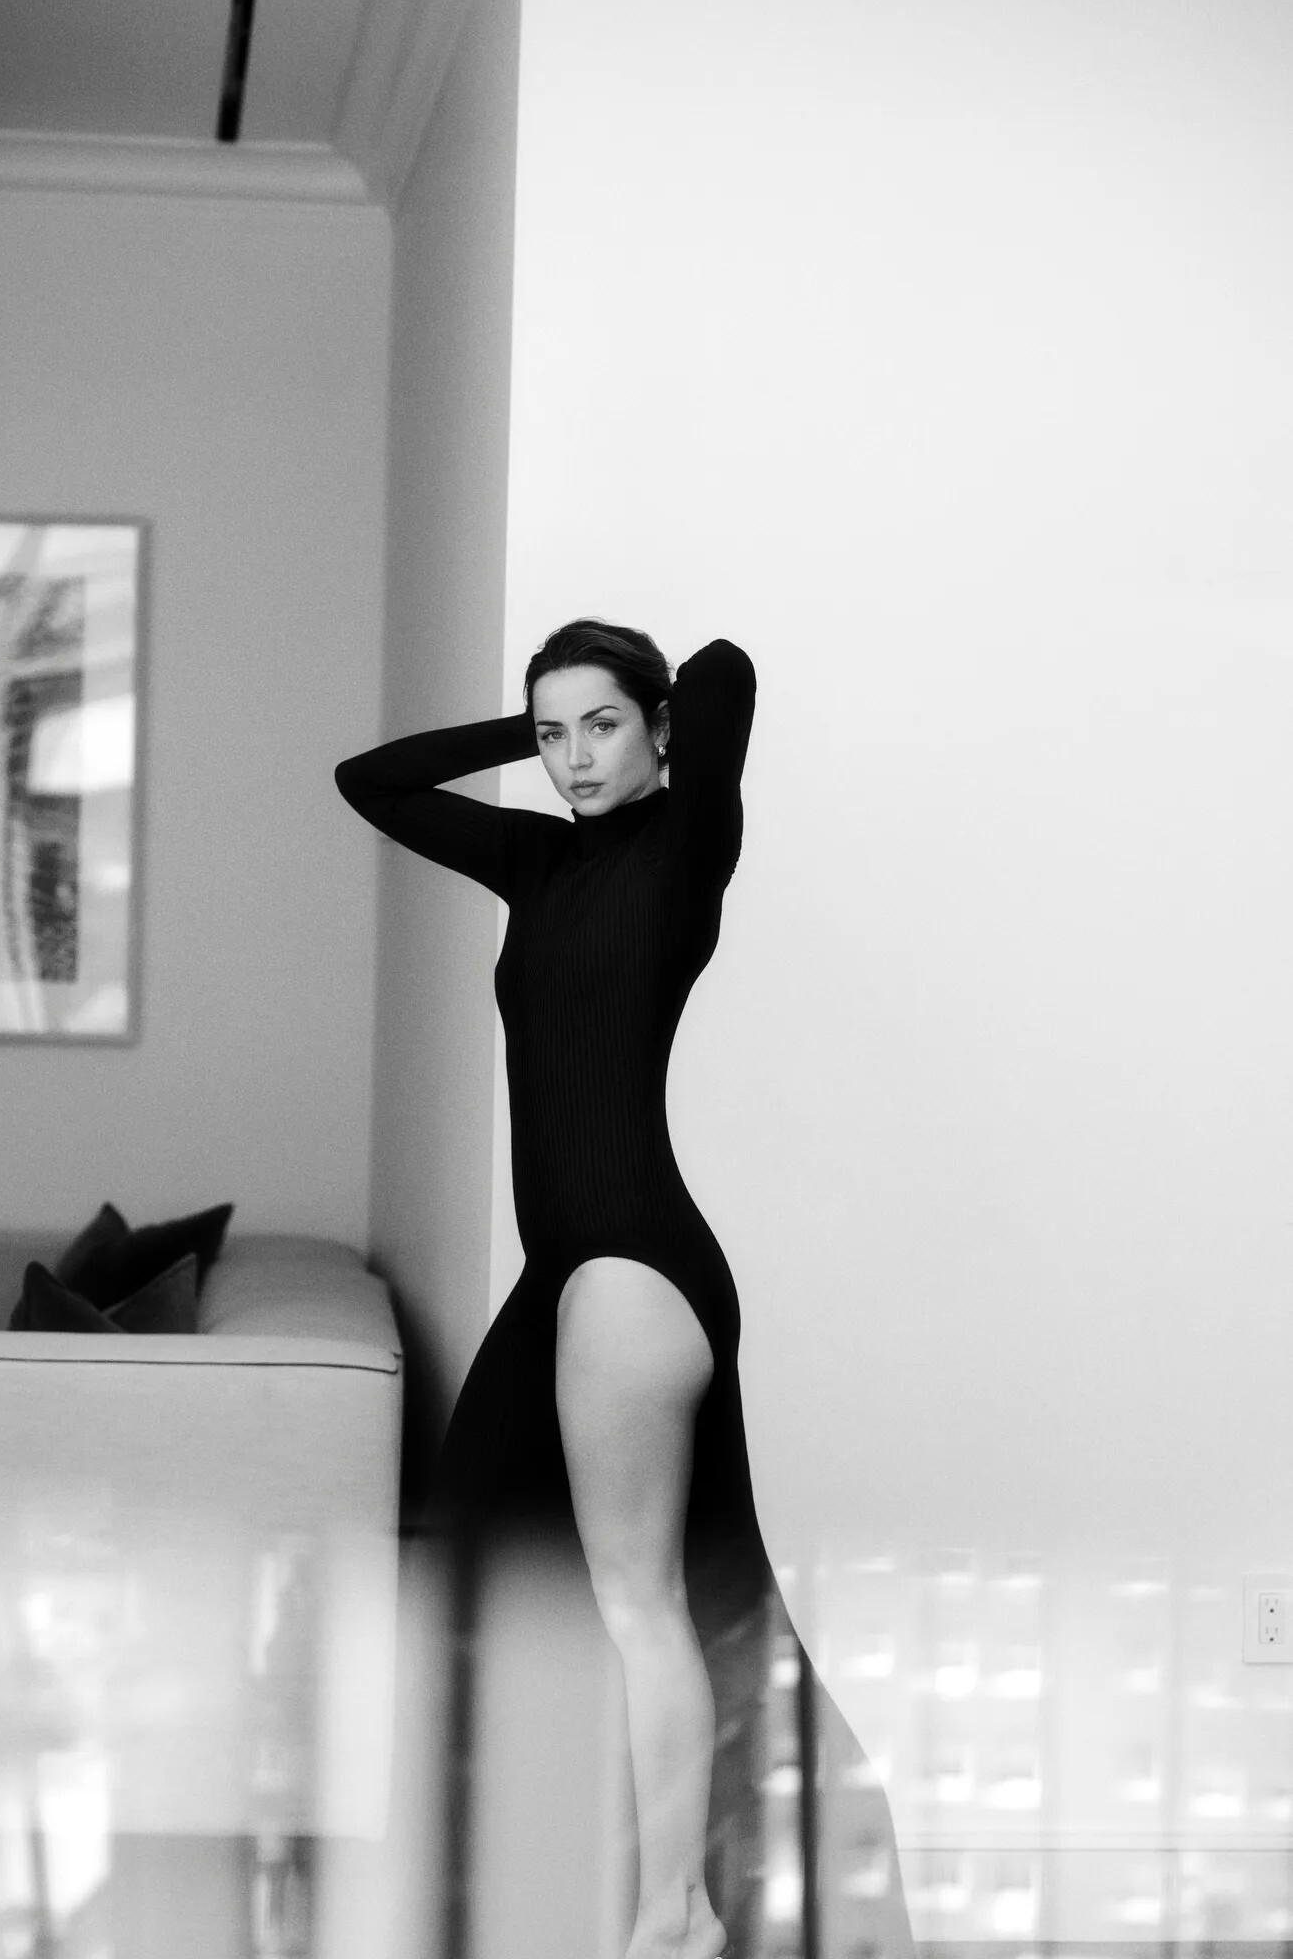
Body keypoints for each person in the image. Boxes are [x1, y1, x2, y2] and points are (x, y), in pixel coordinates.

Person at [336, 623, 913, 1959]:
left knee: (641, 1605)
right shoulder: (537, 861)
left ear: (656, 729)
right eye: (552, 737)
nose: (573, 760)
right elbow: (372, 782)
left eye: (600, 728)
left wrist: (641, 712)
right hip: (567, 1273)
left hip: (631, 1267)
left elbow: (724, 672)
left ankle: (674, 1914)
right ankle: (566, 1880)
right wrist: (532, 727)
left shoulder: (688, 846)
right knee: (479, 1551)